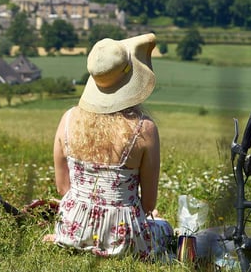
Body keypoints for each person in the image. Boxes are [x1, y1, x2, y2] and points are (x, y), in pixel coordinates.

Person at [45, 33, 173, 260]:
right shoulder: (143, 129)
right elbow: (149, 203)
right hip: (123, 239)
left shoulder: (68, 118)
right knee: (164, 228)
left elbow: (63, 188)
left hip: (72, 230)